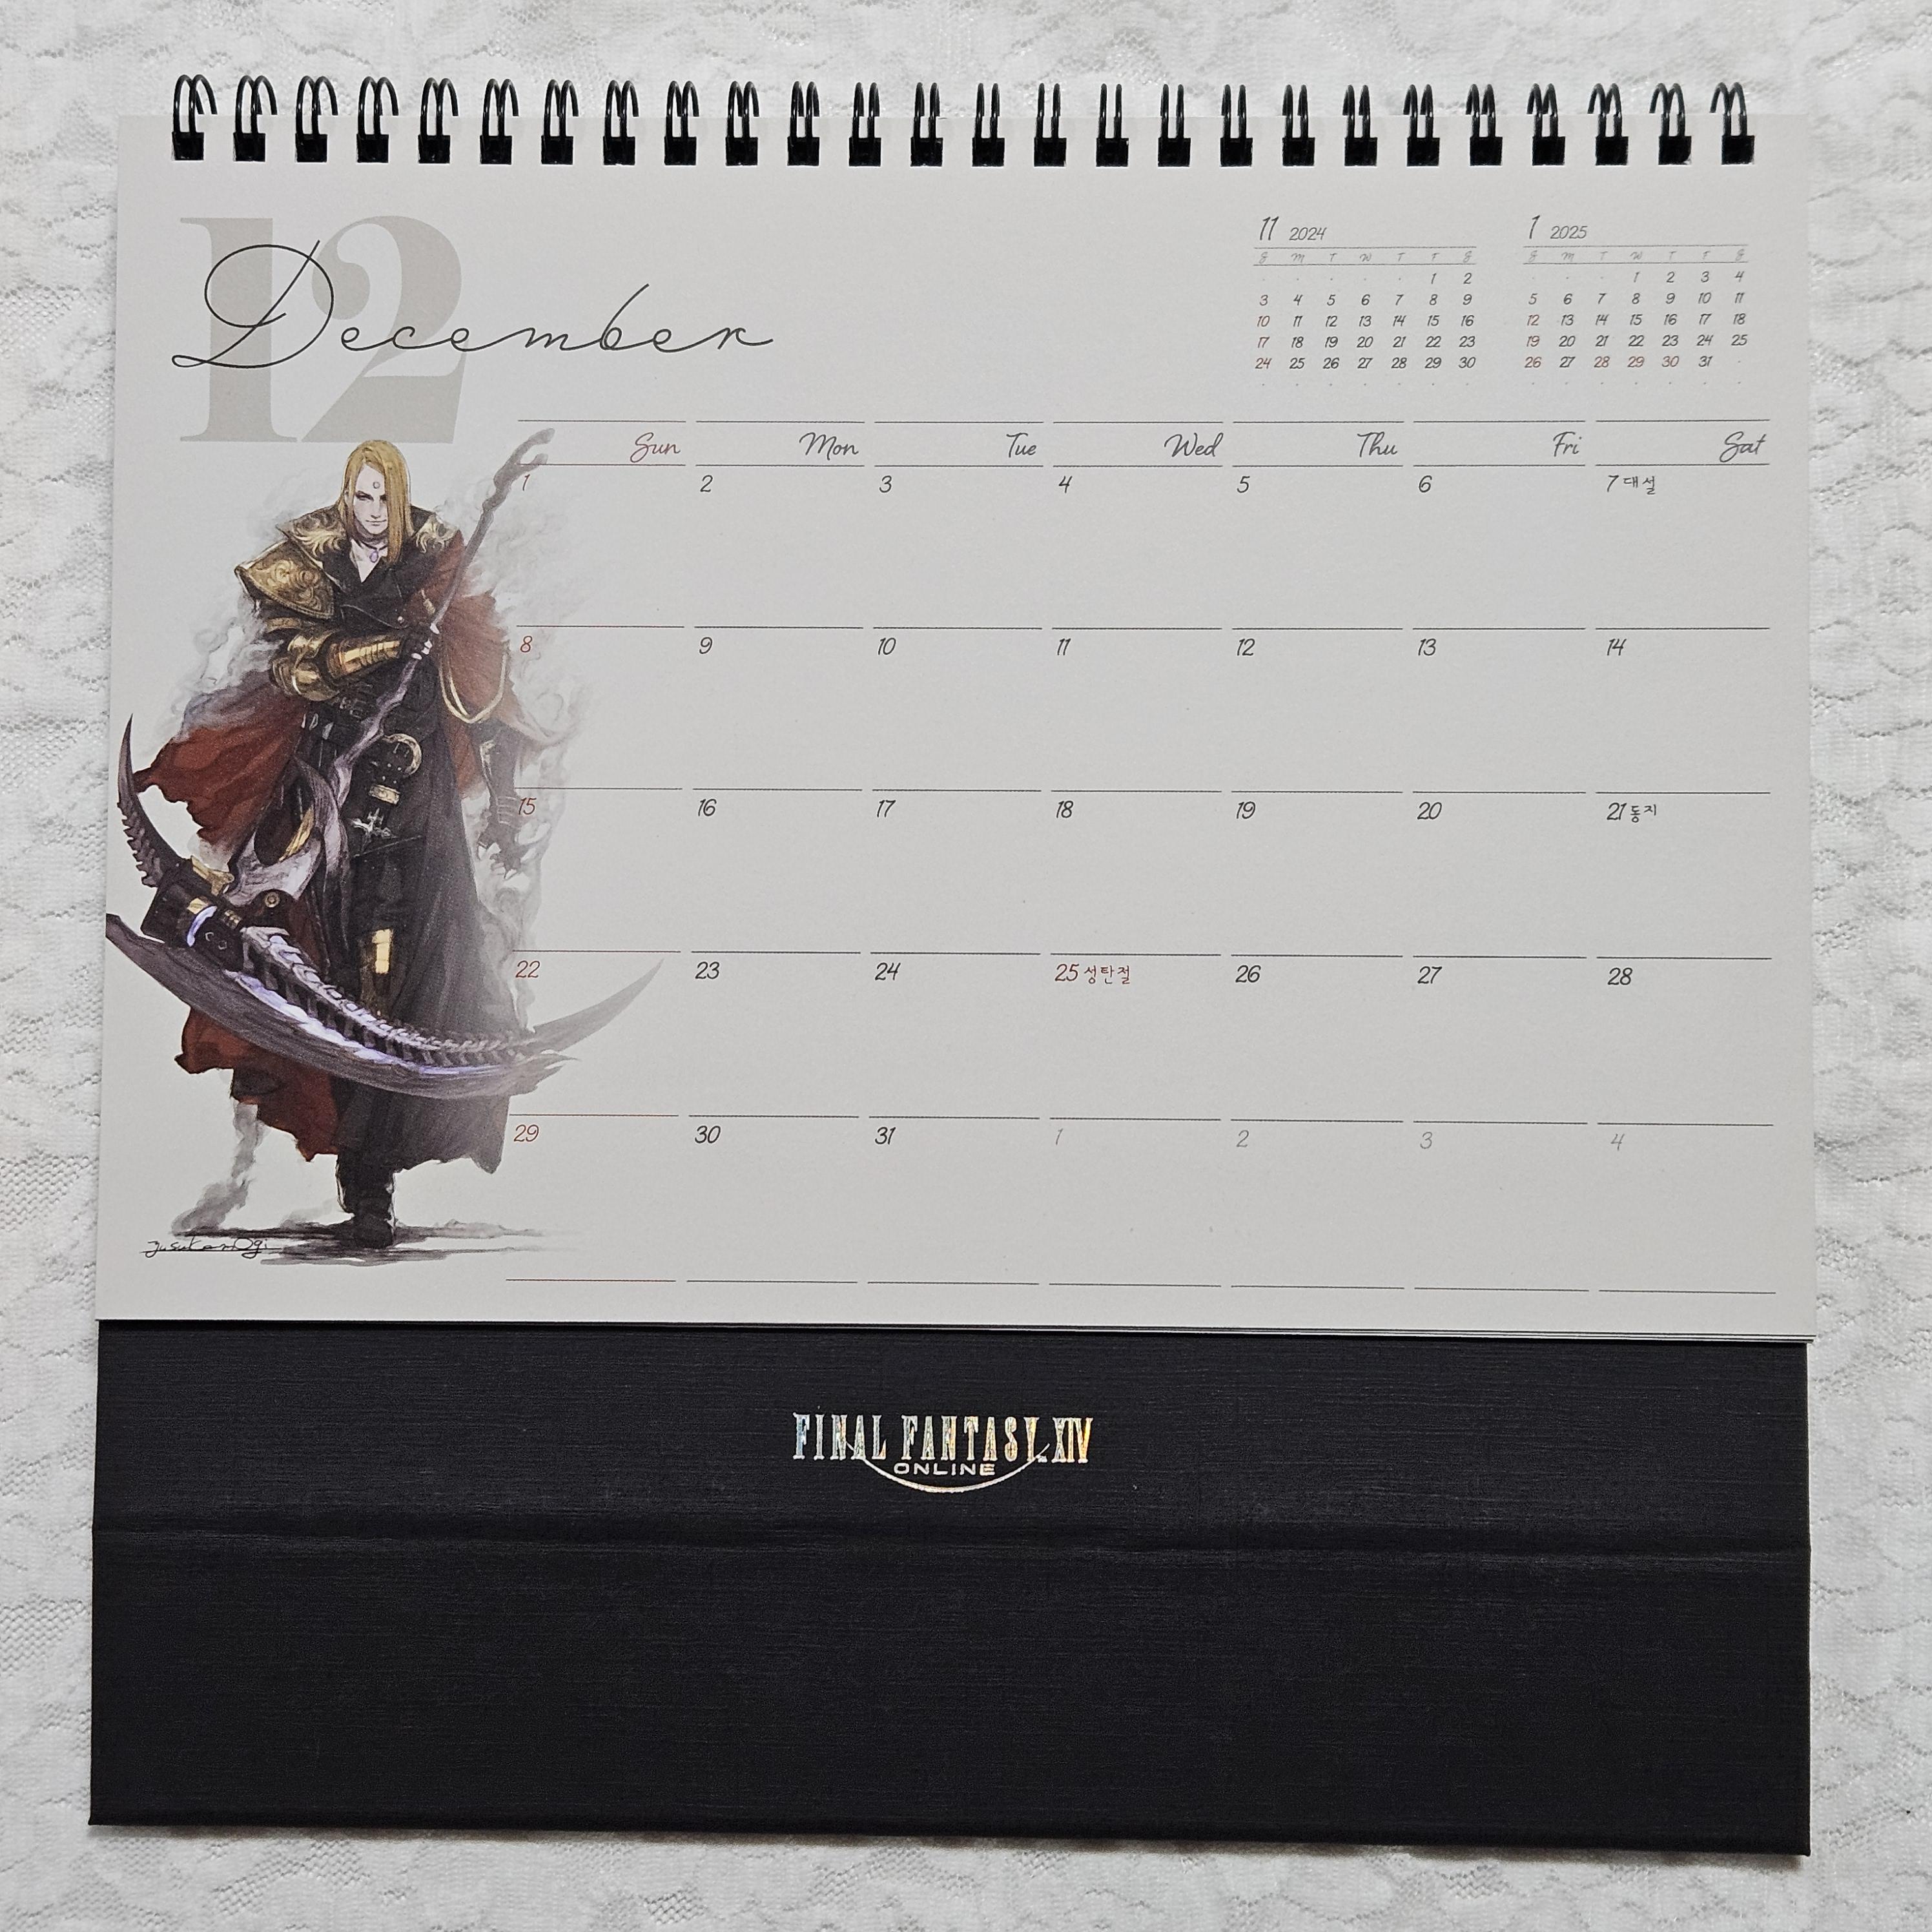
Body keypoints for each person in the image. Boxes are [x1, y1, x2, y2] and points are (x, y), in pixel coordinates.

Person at [138, 440, 535, 1247]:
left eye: (383, 499)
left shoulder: (435, 564)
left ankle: (376, 1177)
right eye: (359, 498)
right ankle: (358, 1175)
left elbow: (487, 691)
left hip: (414, 805)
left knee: (402, 974)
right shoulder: (307, 564)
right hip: (328, 788)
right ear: (344, 497)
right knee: (311, 948)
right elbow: (293, 669)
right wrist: (378, 648)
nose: (371, 514)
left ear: (401, 500)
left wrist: (496, 794)